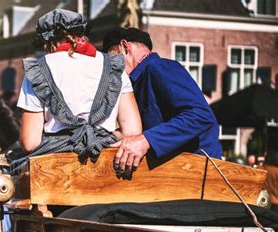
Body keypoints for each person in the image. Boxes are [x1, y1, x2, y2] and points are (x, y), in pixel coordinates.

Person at [15, 9, 141, 173]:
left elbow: (29, 142)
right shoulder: (114, 67)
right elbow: (132, 131)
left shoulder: (38, 70)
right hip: (107, 168)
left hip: (56, 170)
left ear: (48, 40)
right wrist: (100, 138)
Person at [102, 27, 222, 172]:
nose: (112, 69)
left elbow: (201, 115)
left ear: (125, 47)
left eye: (112, 58)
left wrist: (145, 140)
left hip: (199, 176)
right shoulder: (139, 81)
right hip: (176, 177)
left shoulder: (159, 67)